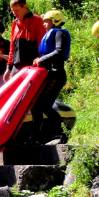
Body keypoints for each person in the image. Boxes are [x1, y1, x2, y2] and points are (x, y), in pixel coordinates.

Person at [31, 10, 71, 144]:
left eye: (46, 21)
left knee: (43, 106)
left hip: (57, 74)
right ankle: (36, 137)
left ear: (55, 21)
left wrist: (42, 60)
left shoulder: (59, 33)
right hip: (50, 75)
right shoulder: (52, 33)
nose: (44, 24)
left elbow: (59, 52)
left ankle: (63, 134)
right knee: (37, 106)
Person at [3, 0, 47, 81]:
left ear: (25, 7)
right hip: (16, 67)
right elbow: (12, 48)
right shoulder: (14, 24)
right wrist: (8, 68)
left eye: (17, 10)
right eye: (13, 11)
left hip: (32, 67)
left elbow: (43, 44)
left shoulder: (36, 20)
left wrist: (41, 60)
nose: (14, 13)